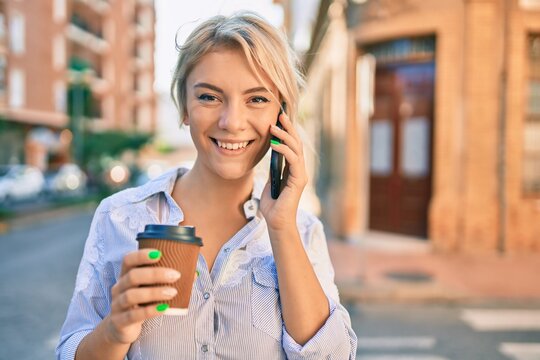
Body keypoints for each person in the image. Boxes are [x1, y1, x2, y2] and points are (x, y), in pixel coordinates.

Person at [57, 11, 358, 360]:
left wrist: (281, 227)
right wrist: (114, 329)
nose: (232, 122)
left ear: (282, 116)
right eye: (209, 97)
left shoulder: (302, 232)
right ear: (184, 107)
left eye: (257, 99)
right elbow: (71, 351)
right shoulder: (120, 216)